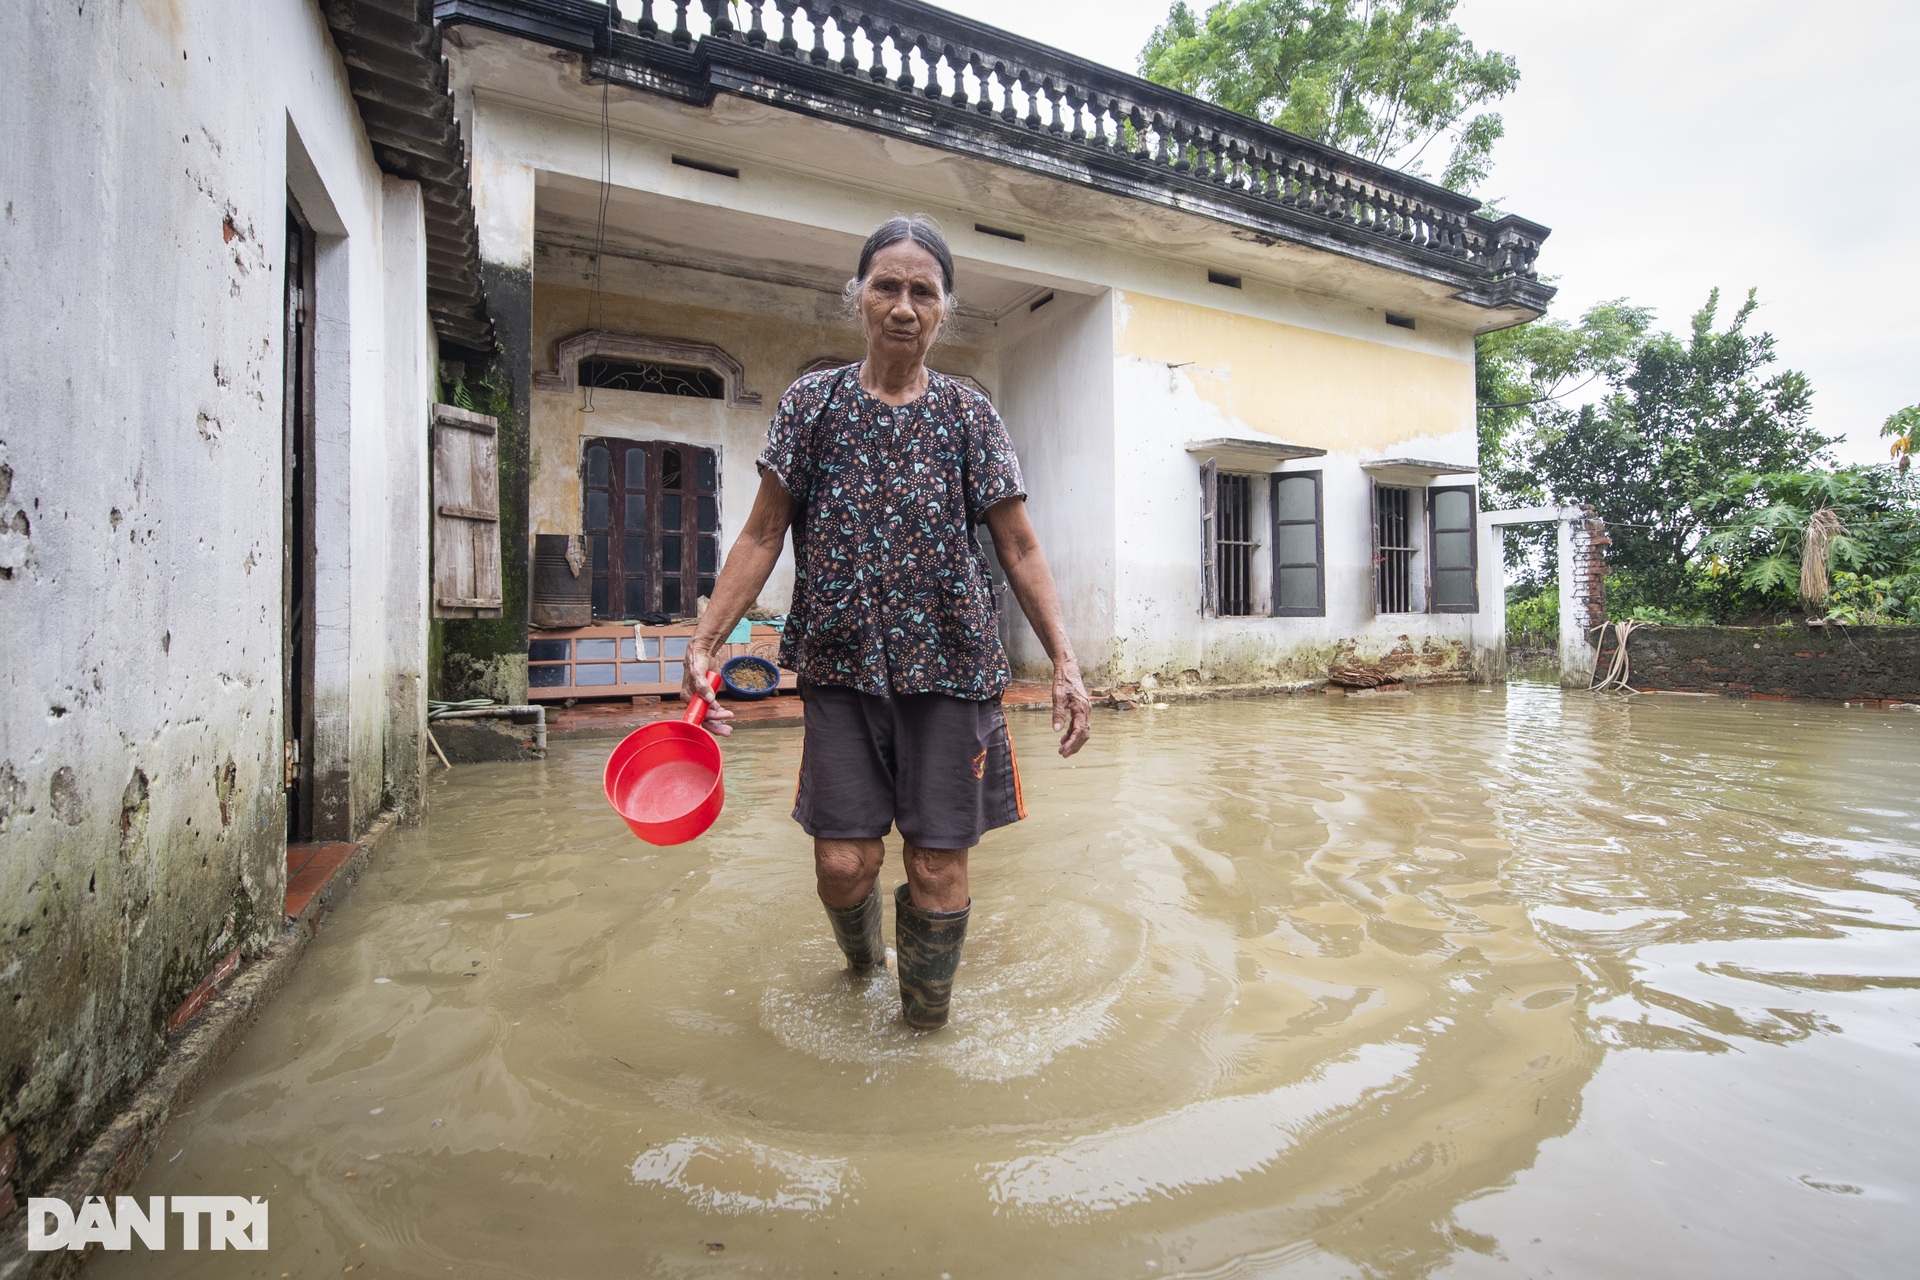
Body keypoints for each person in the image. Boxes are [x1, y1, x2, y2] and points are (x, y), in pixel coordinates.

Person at [682, 214, 1091, 1032]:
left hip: (952, 668)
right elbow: (763, 533)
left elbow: (1017, 544)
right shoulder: (812, 403)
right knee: (843, 862)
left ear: (944, 311)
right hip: (841, 667)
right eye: (887, 286)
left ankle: (923, 1026)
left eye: (923, 291)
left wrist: (1067, 663)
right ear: (859, 298)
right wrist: (704, 641)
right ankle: (863, 969)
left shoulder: (970, 415)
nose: (904, 305)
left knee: (938, 865)